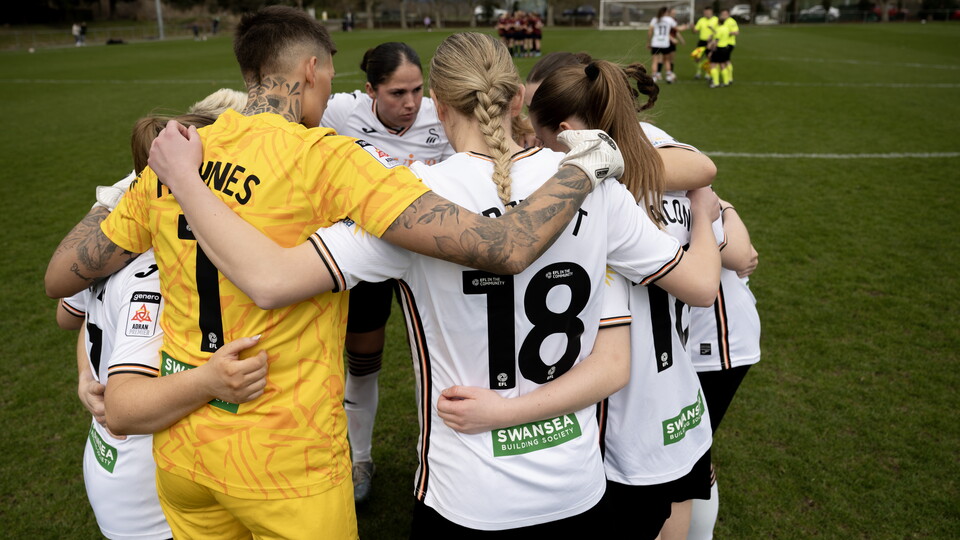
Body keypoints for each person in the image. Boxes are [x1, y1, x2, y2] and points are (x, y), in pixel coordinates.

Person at [44, 7, 619, 538]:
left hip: (185, 455)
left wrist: (120, 195)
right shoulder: (327, 156)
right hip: (284, 461)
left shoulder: (175, 159)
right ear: (311, 68)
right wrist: (583, 167)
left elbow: (61, 278)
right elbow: (502, 244)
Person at [132, 31, 718, 534]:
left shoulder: (412, 204)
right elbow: (695, 288)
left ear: (437, 104)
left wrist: (186, 181)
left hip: (467, 496)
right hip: (577, 486)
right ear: (517, 97)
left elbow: (268, 278)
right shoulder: (593, 184)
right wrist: (706, 212)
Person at [470, 56, 722, 539]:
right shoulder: (662, 164)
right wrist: (707, 216)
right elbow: (709, 201)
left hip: (622, 418)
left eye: (540, 141)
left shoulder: (594, 199)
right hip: (678, 400)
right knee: (684, 508)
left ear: (565, 132)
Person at [56, 108, 251, 540]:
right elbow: (127, 409)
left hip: (108, 459)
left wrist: (86, 374)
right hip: (148, 484)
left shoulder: (108, 247)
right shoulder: (161, 276)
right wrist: (211, 380)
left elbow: (73, 315)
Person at [321, 41, 455, 503]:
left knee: (449, 359)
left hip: (432, 257)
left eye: (418, 90)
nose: (411, 104)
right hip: (370, 255)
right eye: (397, 93)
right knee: (363, 363)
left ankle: (448, 457)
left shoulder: (444, 114)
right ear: (370, 91)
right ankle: (359, 459)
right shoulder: (338, 113)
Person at [687, 200, 761, 540]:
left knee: (691, 458)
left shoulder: (676, 173)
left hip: (714, 344)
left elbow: (741, 256)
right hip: (682, 342)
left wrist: (726, 209)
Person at [648, 7, 678, 83]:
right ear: (666, 12)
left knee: (655, 61)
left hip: (655, 43)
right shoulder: (669, 19)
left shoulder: (655, 19)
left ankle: (654, 77)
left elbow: (650, 31)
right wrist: (686, 26)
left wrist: (648, 42)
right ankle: (668, 76)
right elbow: (677, 29)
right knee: (667, 60)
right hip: (665, 43)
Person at [708, 9, 735, 88]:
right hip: (725, 48)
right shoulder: (726, 29)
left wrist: (711, 51)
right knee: (723, 64)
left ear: (718, 22)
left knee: (713, 65)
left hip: (719, 49)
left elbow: (716, 41)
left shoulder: (719, 30)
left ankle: (716, 83)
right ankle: (726, 81)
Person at [692, 6, 718, 79]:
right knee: (697, 57)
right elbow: (695, 31)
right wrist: (693, 27)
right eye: (705, 12)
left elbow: (718, 32)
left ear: (711, 12)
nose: (706, 13)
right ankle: (698, 72)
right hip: (702, 41)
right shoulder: (701, 20)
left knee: (709, 57)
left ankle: (707, 73)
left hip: (711, 42)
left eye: (708, 12)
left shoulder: (716, 20)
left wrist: (712, 30)